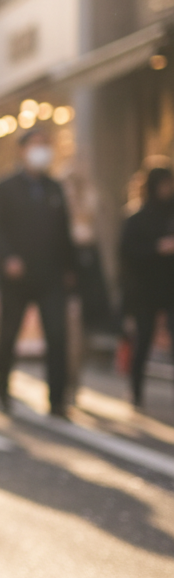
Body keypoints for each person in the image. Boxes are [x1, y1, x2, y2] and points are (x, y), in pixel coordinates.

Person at [0, 126, 75, 417]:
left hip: (50, 275)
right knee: (8, 334)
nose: (41, 151)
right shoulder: (5, 187)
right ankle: (1, 390)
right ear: (22, 149)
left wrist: (69, 268)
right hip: (15, 275)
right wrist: (7, 257)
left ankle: (58, 399)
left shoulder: (55, 187)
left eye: (45, 144)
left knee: (57, 336)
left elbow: (64, 232)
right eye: (35, 144)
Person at [119, 164, 174, 409]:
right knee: (143, 338)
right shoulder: (136, 218)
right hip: (145, 289)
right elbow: (126, 253)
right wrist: (156, 248)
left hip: (170, 286)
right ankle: (136, 389)